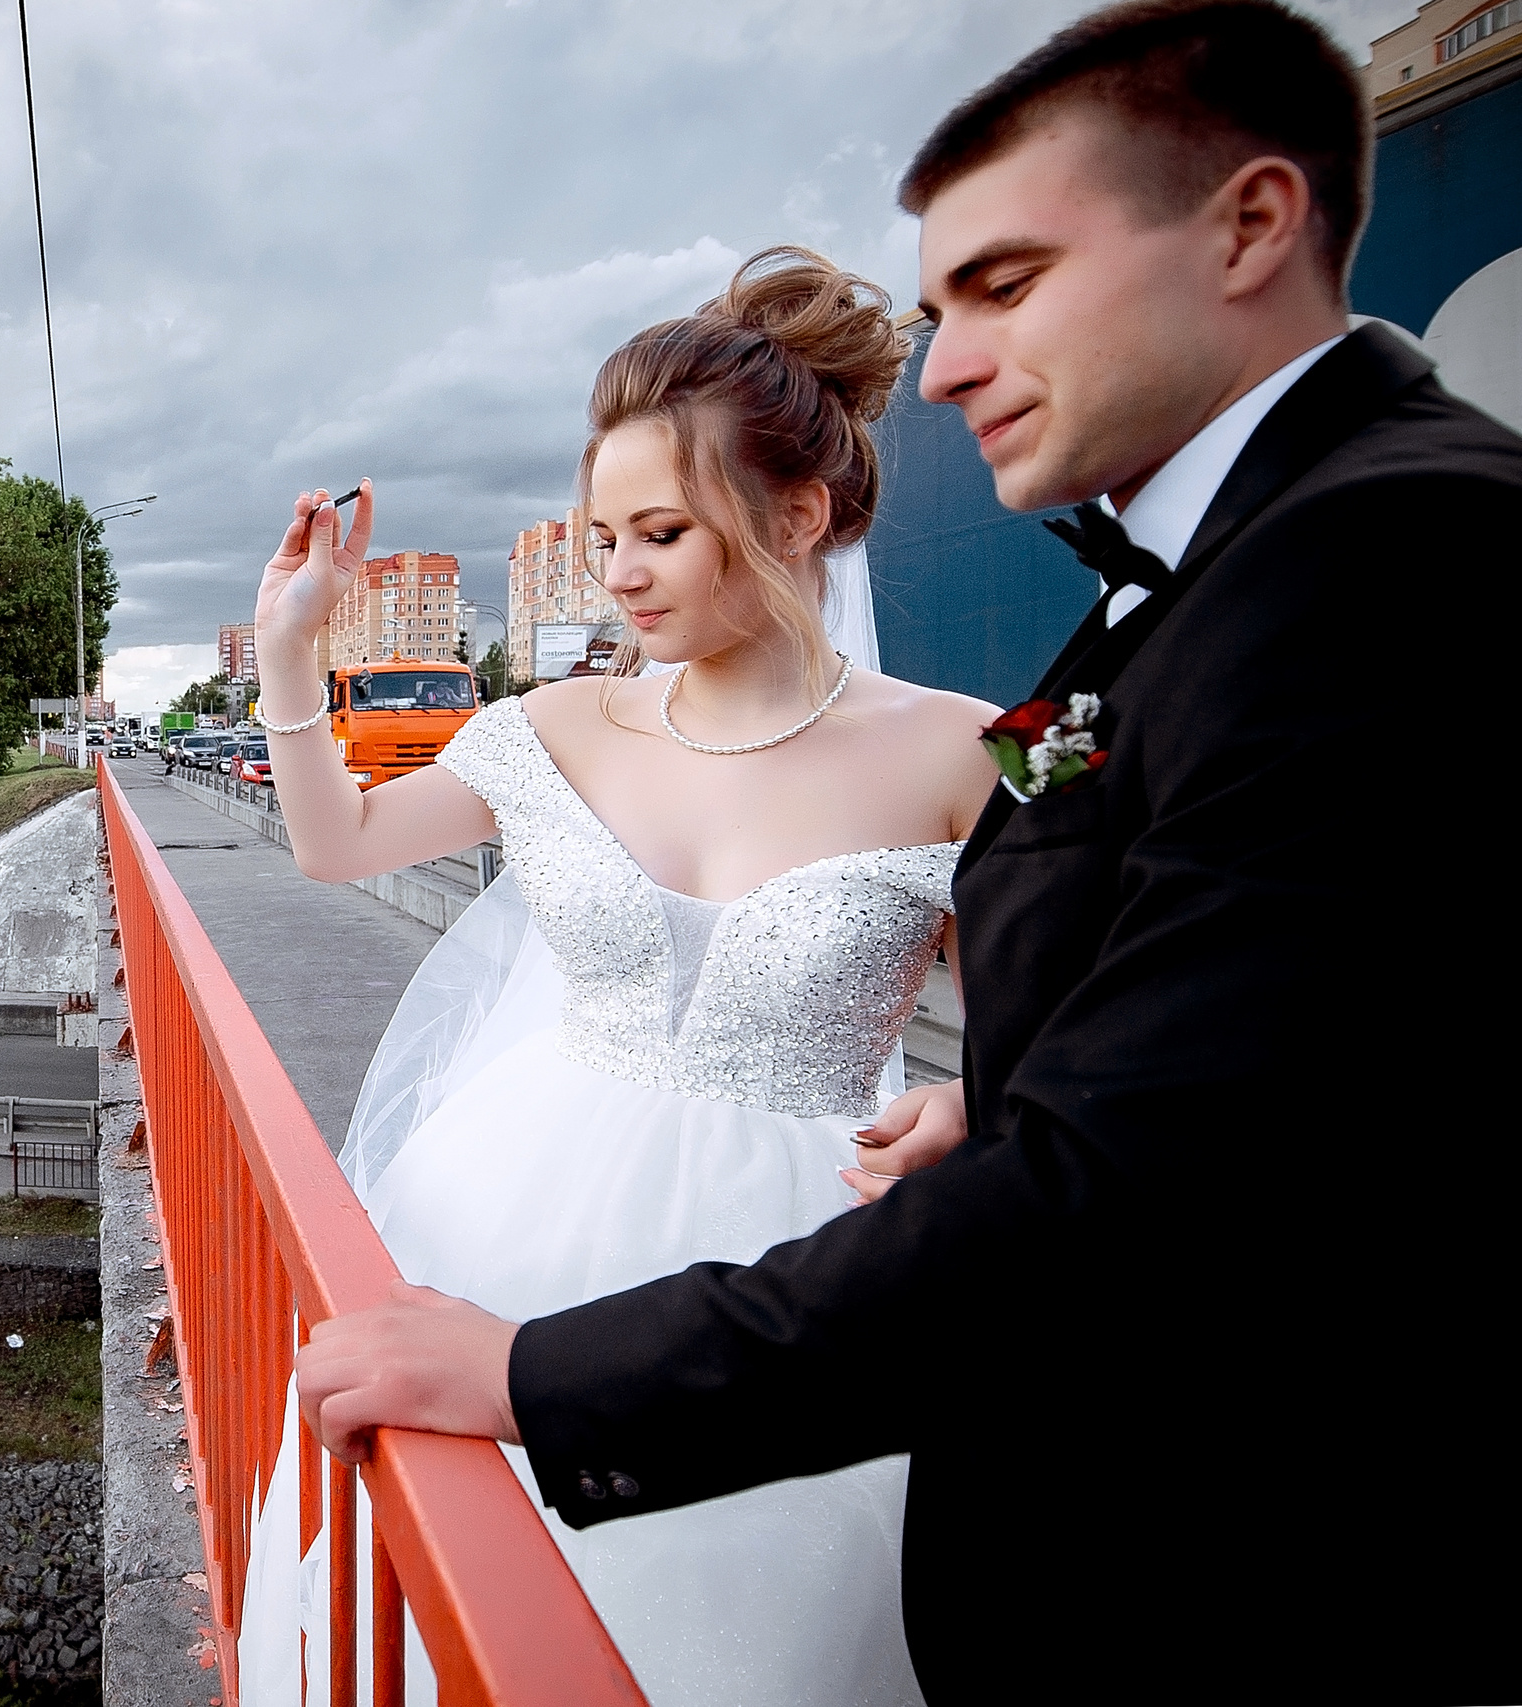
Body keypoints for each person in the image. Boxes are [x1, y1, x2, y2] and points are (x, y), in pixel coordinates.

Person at [293, 4, 1518, 1701]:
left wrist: (537, 1381)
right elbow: (1191, 992)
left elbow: (1155, 1168)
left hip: (1206, 1512)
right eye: (943, 310)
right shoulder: (1163, 599)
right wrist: (1005, 1093)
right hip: (765, 1286)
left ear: (1248, 226)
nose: (939, 372)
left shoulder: (1385, 552)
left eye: (1006, 286)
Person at [239, 247, 999, 1704]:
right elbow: (340, 846)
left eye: (662, 532)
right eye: (600, 537)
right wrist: (290, 651)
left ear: (798, 515)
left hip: (799, 1257)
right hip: (506, 1207)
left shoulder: (965, 750)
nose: (620, 574)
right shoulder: (561, 725)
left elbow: (1080, 1028)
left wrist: (978, 1100)